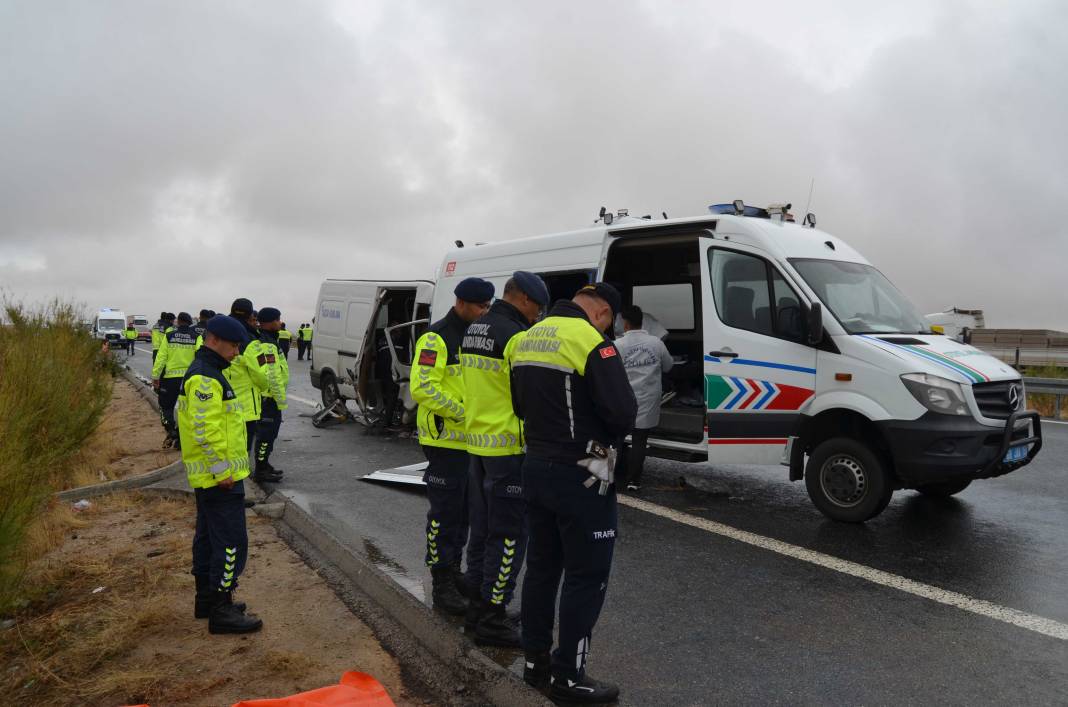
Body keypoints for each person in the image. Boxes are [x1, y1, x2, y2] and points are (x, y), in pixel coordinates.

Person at [512, 283, 636, 703]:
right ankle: (569, 676)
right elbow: (622, 413)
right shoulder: (591, 341)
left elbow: (518, 406)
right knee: (586, 576)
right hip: (584, 469)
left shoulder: (528, 336)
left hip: (535, 463)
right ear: (603, 313)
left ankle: (534, 664)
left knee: (542, 568)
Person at [462, 271, 548, 647]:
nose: (538, 315)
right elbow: (527, 394)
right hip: (508, 448)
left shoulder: (475, 328)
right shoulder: (517, 337)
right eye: (538, 308)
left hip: (478, 444)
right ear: (525, 300)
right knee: (510, 537)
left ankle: (477, 609)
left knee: (481, 533)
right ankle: (494, 617)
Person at [411, 277, 493, 615]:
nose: (485, 311)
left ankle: (453, 570)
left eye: (489, 306)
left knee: (464, 514)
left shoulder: (476, 334)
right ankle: (441, 580)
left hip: (470, 442)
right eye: (480, 306)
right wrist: (463, 414)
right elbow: (422, 387)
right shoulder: (436, 337)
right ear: (461, 302)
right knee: (444, 515)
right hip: (444, 439)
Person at [177, 314, 262, 635]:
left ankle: (207, 599)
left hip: (212, 477)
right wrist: (221, 470)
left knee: (208, 537)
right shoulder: (205, 378)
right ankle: (221, 609)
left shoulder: (210, 371)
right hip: (218, 478)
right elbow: (204, 429)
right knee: (230, 542)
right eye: (233, 345)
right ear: (214, 340)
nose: (237, 352)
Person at [615, 305, 673, 492]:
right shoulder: (656, 343)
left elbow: (611, 373)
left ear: (625, 324)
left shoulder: (618, 345)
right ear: (643, 321)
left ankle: (610, 477)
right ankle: (633, 481)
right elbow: (668, 367)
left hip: (624, 399)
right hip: (648, 399)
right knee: (640, 440)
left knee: (617, 439)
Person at [225, 299, 270, 454]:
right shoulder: (250, 339)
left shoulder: (215, 334)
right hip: (244, 406)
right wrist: (265, 388)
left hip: (219, 400)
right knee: (241, 452)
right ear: (250, 315)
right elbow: (261, 373)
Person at [253, 307, 289, 483]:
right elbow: (272, 374)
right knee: (266, 435)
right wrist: (279, 399)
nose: (279, 322)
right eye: (277, 319)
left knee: (270, 435)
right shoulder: (266, 343)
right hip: (269, 397)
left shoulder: (271, 340)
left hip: (270, 396)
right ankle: (260, 469)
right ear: (268, 322)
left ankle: (264, 464)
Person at [153, 312, 198, 449]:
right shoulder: (197, 337)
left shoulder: (169, 336)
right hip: (189, 380)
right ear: (190, 322)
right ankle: (180, 439)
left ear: (178, 322)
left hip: (170, 379)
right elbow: (200, 357)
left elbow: (161, 358)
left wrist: (156, 377)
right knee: (186, 411)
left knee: (165, 406)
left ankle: (171, 430)